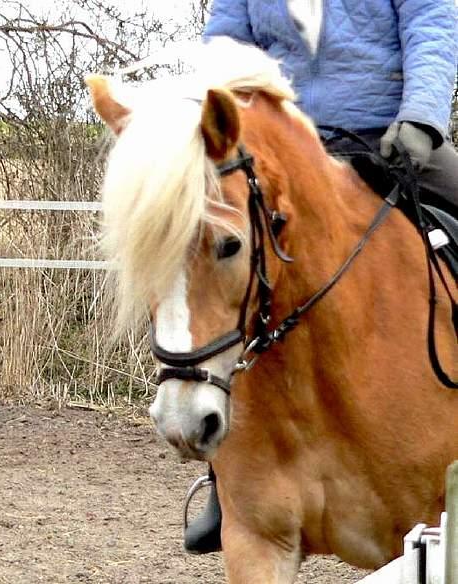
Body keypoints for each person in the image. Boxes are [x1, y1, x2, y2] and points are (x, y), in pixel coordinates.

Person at [184, 0, 458, 554]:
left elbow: (432, 21)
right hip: (276, 150)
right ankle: (228, 482)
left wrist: (422, 118)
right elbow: (224, 47)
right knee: (209, 268)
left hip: (385, 132)